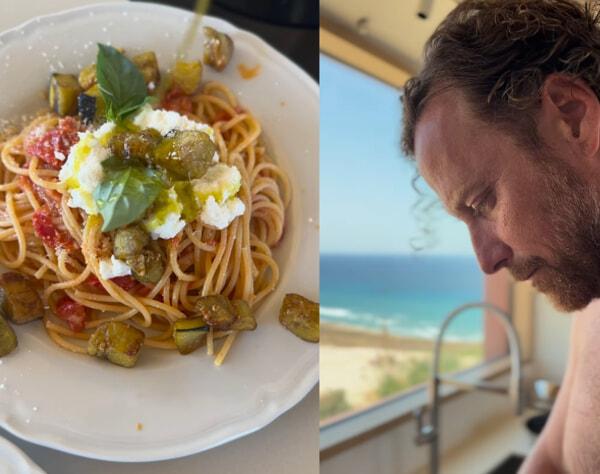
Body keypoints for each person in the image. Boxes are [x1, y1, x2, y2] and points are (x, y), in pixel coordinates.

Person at [402, 0, 600, 472]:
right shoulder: (592, 302)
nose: (487, 260)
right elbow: (553, 456)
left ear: (572, 117)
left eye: (483, 203)